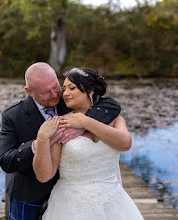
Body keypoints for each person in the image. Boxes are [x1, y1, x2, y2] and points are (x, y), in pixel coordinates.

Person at [0, 63, 121, 220]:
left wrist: (82, 124)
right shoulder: (13, 115)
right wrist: (38, 144)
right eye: (46, 92)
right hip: (29, 195)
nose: (55, 94)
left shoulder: (70, 97)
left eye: (55, 86)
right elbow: (5, 161)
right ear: (29, 92)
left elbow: (110, 105)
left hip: (71, 194)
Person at [33, 68, 144, 219]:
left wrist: (85, 122)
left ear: (90, 91)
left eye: (72, 88)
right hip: (71, 206)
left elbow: (125, 144)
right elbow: (44, 176)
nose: (65, 93)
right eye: (64, 89)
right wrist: (42, 138)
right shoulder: (61, 124)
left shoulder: (115, 119)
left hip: (113, 203)